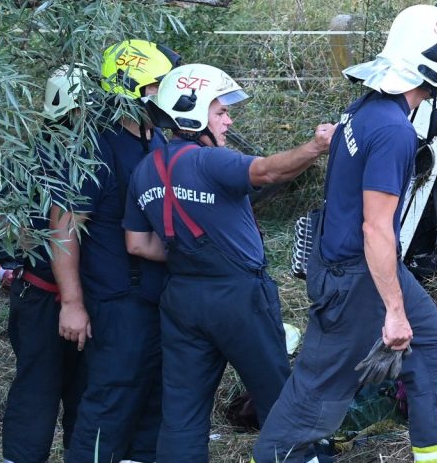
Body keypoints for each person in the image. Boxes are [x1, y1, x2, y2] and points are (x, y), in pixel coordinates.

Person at [254, 5, 437, 463]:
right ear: (435, 69)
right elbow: (376, 227)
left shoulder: (364, 110)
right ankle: (278, 455)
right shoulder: (395, 132)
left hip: (349, 264)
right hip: (357, 276)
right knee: (318, 390)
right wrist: (394, 312)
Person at [123, 63, 334, 462]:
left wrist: (189, 254)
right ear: (193, 113)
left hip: (182, 297)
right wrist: (316, 146)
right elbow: (269, 170)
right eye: (220, 112)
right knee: (277, 397)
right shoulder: (210, 162)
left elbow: (137, 243)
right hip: (239, 297)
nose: (228, 119)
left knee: (182, 412)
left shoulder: (144, 170)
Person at [62, 39, 181, 463]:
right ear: (132, 89)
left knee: (152, 404)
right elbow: (64, 225)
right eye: (157, 85)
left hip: (157, 297)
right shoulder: (96, 146)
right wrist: (72, 302)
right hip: (117, 299)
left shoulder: (157, 140)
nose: (166, 94)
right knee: (110, 405)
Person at [0, 66, 90, 463]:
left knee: (63, 388)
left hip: (59, 295)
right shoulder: (41, 154)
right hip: (45, 294)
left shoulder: (43, 149)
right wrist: (17, 230)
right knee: (43, 388)